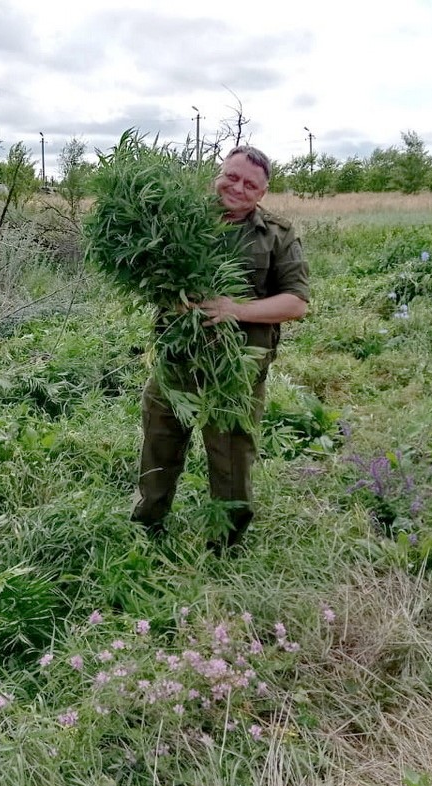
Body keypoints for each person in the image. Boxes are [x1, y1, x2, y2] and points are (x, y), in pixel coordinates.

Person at [130, 145, 309, 553]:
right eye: (232, 176)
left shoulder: (277, 235)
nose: (238, 188)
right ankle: (146, 530)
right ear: (218, 174)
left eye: (250, 184)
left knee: (231, 458)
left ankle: (225, 545)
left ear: (262, 193)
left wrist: (235, 310)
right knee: (159, 446)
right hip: (176, 361)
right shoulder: (178, 219)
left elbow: (295, 303)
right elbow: (142, 269)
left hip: (235, 374)